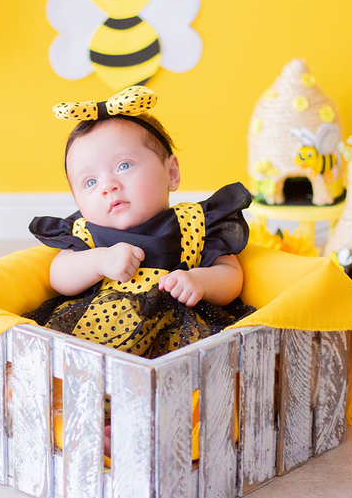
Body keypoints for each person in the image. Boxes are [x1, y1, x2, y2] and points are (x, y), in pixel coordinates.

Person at [28, 86, 253, 358]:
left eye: (124, 166)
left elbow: (231, 277)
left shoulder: (195, 222)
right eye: (90, 182)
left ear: (171, 172)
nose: (108, 186)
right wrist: (100, 261)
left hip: (178, 338)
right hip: (98, 335)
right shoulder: (86, 233)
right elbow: (58, 275)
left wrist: (199, 281)